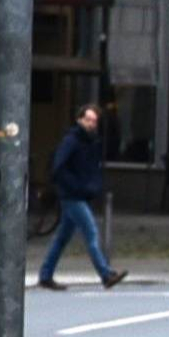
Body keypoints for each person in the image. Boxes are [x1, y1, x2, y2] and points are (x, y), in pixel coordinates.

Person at [37, 105, 125, 290]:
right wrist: (77, 186)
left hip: (78, 194)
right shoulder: (72, 141)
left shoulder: (90, 142)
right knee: (91, 233)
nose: (91, 124)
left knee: (62, 237)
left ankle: (45, 274)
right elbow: (58, 167)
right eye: (88, 120)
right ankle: (105, 274)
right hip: (72, 196)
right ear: (79, 120)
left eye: (94, 121)